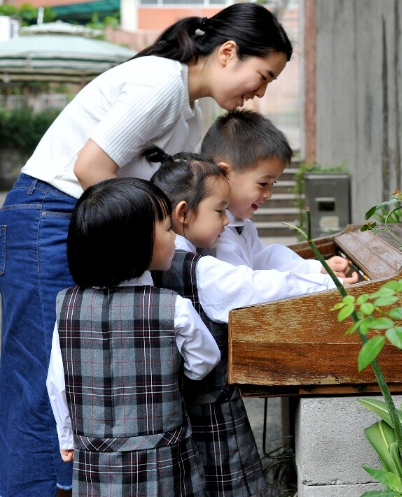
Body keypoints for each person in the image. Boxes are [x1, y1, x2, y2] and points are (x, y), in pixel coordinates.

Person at [0, 4, 292, 493]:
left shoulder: (192, 109)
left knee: (81, 384)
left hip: (89, 223)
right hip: (51, 217)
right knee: (41, 382)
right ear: (227, 53)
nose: (259, 93)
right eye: (262, 76)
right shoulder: (162, 83)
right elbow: (92, 169)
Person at [147, 145, 342, 495]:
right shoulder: (197, 266)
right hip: (208, 404)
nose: (227, 221)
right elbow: (251, 288)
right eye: (220, 211)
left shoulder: (177, 255)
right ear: (183, 213)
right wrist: (328, 283)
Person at [45, 177, 221, 496]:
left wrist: (67, 437)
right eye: (167, 229)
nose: (174, 236)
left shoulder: (68, 306)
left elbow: (57, 381)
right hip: (162, 458)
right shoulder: (172, 307)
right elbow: (205, 361)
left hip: (96, 458)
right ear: (136, 242)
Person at [199, 109, 358, 283]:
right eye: (263, 183)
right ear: (224, 173)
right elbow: (251, 285)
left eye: (272, 184)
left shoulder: (242, 226)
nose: (268, 194)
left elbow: (264, 261)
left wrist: (317, 269)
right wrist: (321, 284)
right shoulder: (215, 234)